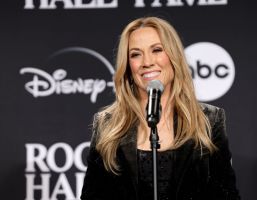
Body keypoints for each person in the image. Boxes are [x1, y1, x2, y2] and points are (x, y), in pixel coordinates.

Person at [81, 16, 241, 200]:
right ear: (128, 66)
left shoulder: (209, 120)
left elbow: (227, 195)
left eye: (157, 50)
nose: (147, 62)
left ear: (174, 57)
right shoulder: (106, 124)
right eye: (135, 54)